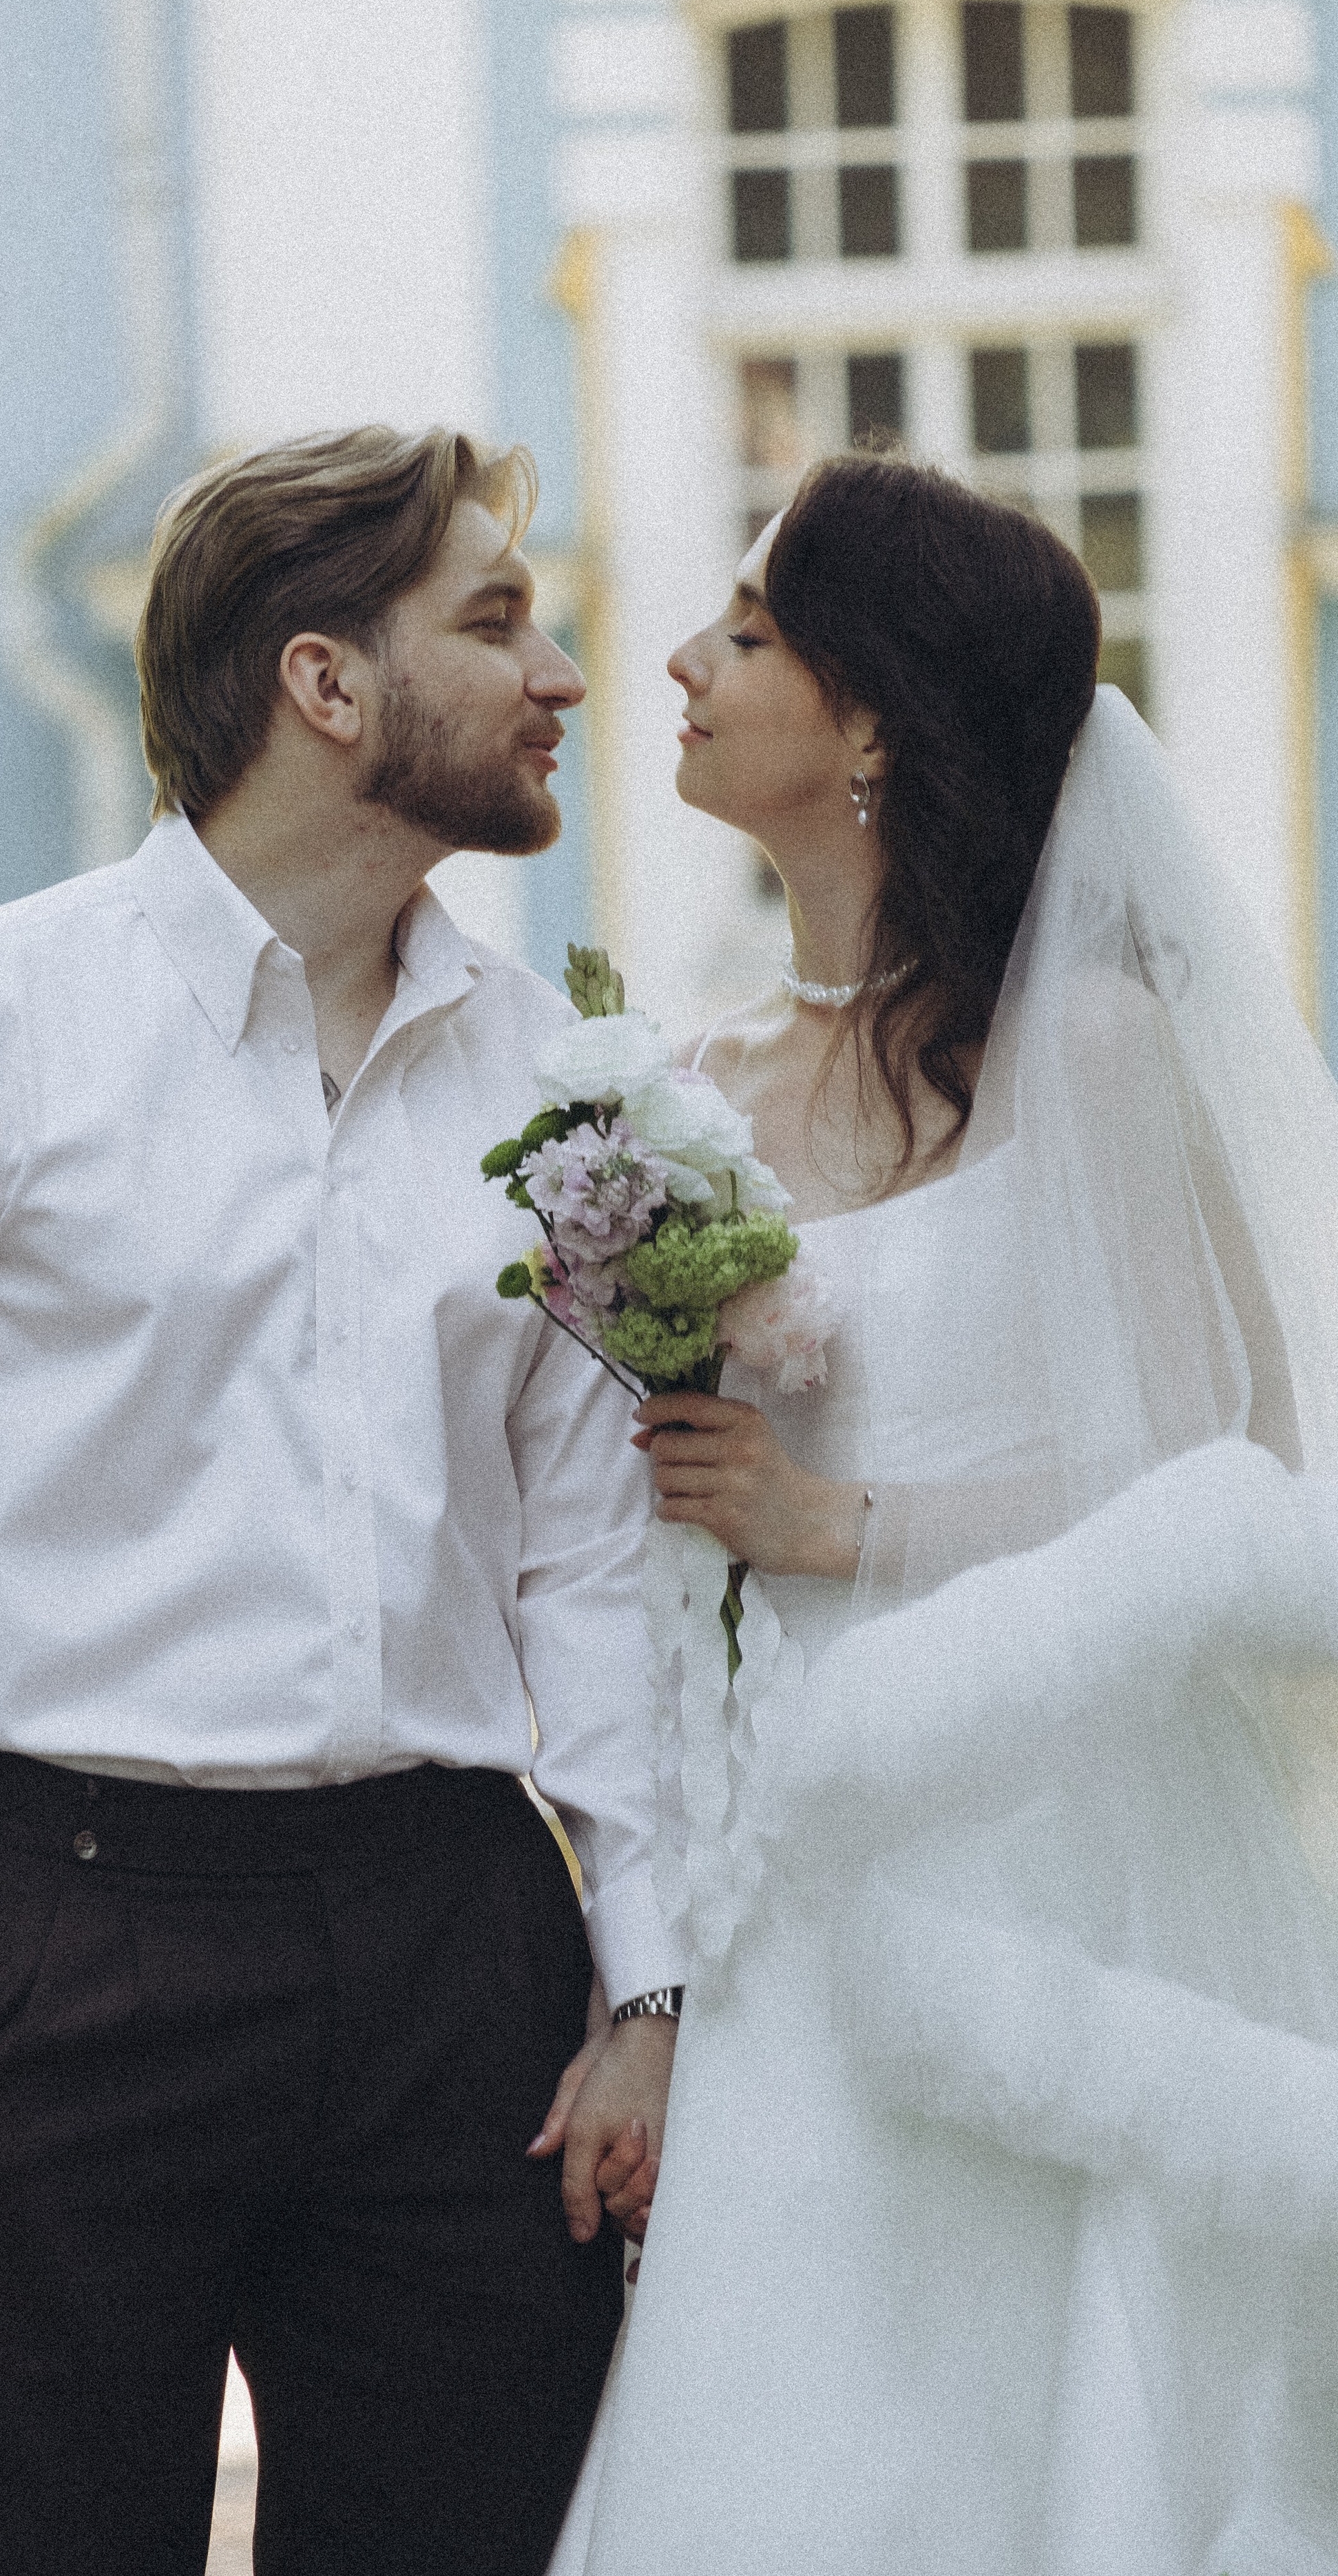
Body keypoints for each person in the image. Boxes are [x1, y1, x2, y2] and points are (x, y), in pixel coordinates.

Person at [0, 426, 683, 2576]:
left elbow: (590, 1562)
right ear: (325, 683)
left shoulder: (550, 1078)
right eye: (498, 619)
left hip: (462, 1968)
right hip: (64, 1942)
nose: (562, 676)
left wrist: (646, 1987)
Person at [553, 455, 1338, 2574]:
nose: (683, 665)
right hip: (780, 1867)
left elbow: (1217, 1476)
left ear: (875, 713)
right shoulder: (675, 1098)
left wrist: (843, 1523)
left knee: (1043, 2413)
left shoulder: (1085, 1044)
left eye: (745, 629)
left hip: (1049, 1844)